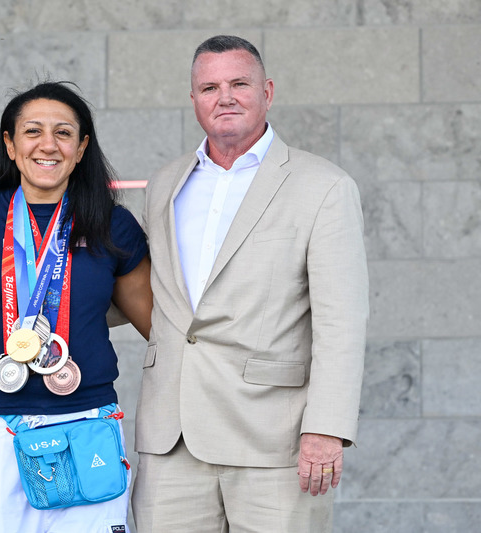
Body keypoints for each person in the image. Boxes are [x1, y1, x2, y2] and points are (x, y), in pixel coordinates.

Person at [131, 35, 369, 532]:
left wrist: (326, 429)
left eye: (240, 83)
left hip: (273, 441)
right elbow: (144, 291)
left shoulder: (323, 186)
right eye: (209, 87)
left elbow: (341, 321)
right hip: (169, 438)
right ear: (193, 98)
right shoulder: (164, 185)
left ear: (268, 91)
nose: (225, 97)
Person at [0, 81, 152, 532]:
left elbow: (164, 329)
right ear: (10, 144)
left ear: (81, 148)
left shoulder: (112, 224)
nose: (48, 144)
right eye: (32, 131)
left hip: (85, 423)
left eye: (63, 133)